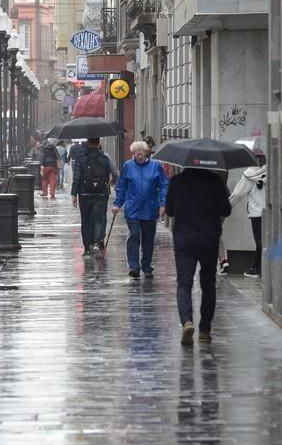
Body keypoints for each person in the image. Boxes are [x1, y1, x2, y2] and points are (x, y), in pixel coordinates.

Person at [166, 168, 231, 345]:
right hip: (209, 239)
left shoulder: (176, 181)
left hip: (184, 240)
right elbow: (226, 210)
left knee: (184, 283)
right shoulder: (215, 181)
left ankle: (187, 321)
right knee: (208, 284)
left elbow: (170, 211)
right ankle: (204, 330)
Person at [112, 141, 170, 279]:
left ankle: (147, 266)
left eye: (141, 151)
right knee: (134, 235)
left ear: (146, 152)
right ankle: (134, 266)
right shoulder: (128, 166)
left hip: (150, 209)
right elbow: (121, 187)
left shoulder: (156, 166)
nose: (139, 154)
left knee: (148, 239)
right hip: (133, 209)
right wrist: (117, 204)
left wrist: (163, 204)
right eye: (136, 152)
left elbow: (163, 185)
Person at [71, 137, 112, 257]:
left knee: (86, 220)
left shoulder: (81, 158)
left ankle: (87, 247)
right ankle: (98, 242)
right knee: (99, 219)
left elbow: (77, 177)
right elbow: (107, 177)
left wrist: (74, 193)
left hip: (84, 194)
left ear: (88, 143)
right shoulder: (104, 159)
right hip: (101, 193)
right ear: (99, 143)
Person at [228, 152, 267, 278]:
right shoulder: (274, 171)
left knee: (260, 241)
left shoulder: (248, 174)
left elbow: (237, 194)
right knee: (269, 241)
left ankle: (256, 268)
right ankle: (262, 267)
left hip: (256, 213)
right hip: (272, 212)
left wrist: (225, 207)